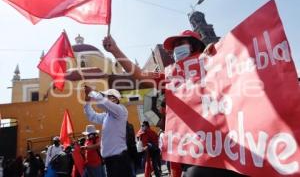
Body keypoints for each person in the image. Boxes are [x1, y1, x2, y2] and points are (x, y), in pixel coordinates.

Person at [102, 31, 246, 177]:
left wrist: (219, 52)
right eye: (174, 46)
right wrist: (115, 50)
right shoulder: (169, 76)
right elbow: (139, 75)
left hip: (227, 146)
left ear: (194, 45)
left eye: (180, 43)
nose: (176, 49)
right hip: (193, 152)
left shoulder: (213, 62)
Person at [83, 87, 132, 177]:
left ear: (115, 98)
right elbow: (91, 116)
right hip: (110, 161)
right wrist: (87, 101)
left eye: (106, 96)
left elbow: (102, 103)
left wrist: (91, 92)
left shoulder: (121, 110)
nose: (105, 98)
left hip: (119, 160)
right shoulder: (107, 116)